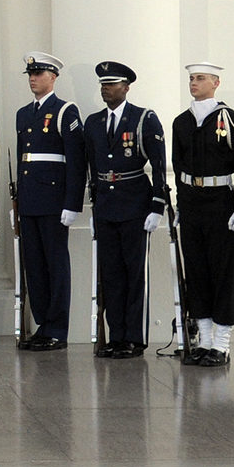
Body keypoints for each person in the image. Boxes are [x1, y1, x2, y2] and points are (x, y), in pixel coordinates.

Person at [172, 62, 234, 366]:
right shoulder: (182, 122)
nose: (194, 83)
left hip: (220, 201)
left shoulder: (230, 120)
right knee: (197, 270)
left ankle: (222, 342)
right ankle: (204, 340)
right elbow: (178, 167)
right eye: (191, 78)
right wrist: (180, 205)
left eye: (200, 78)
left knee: (222, 271)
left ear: (216, 83)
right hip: (192, 200)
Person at [86, 61, 166, 359]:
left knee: (134, 274)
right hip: (106, 207)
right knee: (112, 274)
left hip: (135, 205)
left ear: (126, 87)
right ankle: (116, 335)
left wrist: (157, 205)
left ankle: (134, 337)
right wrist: (94, 208)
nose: (106, 89)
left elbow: (158, 164)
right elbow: (93, 167)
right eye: (103, 85)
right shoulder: (94, 122)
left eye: (112, 84)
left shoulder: (143, 118)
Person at [15, 52, 85, 350]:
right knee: (35, 265)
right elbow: (23, 160)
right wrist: (19, 201)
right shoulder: (24, 113)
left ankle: (57, 329)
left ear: (53, 77)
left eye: (39, 73)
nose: (33, 78)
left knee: (55, 265)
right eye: (30, 73)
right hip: (31, 199)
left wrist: (72, 204)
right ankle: (43, 325)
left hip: (54, 201)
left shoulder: (65, 111)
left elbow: (77, 161)